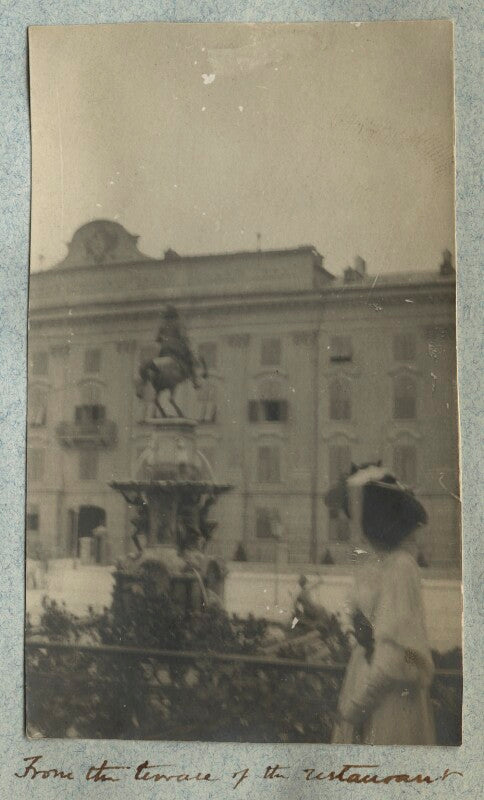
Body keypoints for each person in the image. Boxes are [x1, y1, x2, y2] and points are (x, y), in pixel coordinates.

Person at [329, 464, 436, 745]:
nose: (356, 527)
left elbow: (399, 657)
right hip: (366, 680)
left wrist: (354, 709)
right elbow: (360, 615)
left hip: (386, 702)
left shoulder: (401, 568)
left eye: (359, 518)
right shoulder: (380, 564)